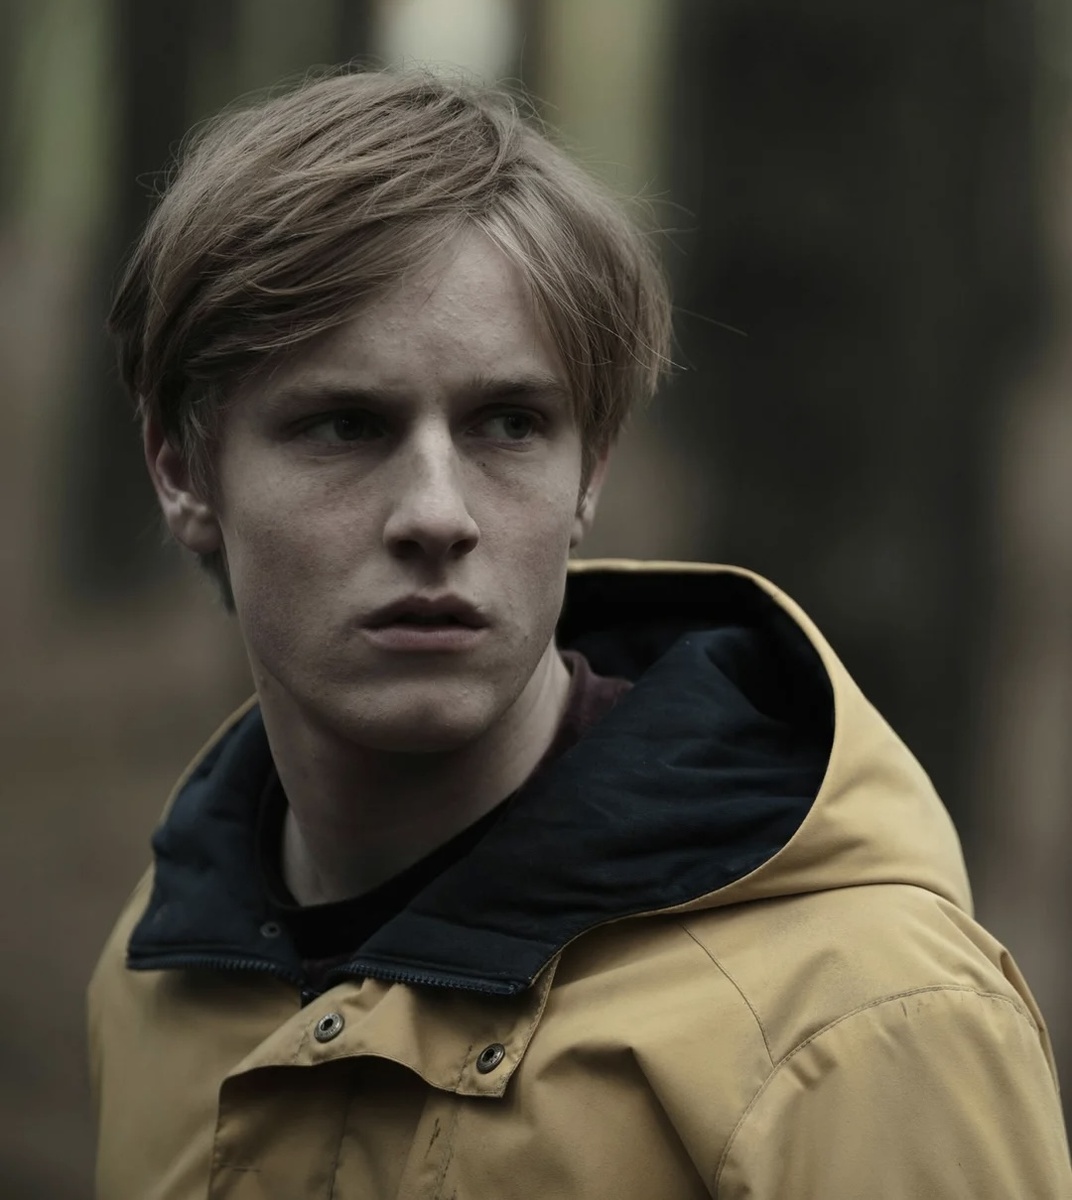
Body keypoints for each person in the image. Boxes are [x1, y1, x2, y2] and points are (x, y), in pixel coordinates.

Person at [88, 67, 1071, 1199]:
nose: (437, 515)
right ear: (183, 470)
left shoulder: (854, 1027)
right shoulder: (158, 973)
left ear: (589, 471)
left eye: (509, 423)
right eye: (345, 426)